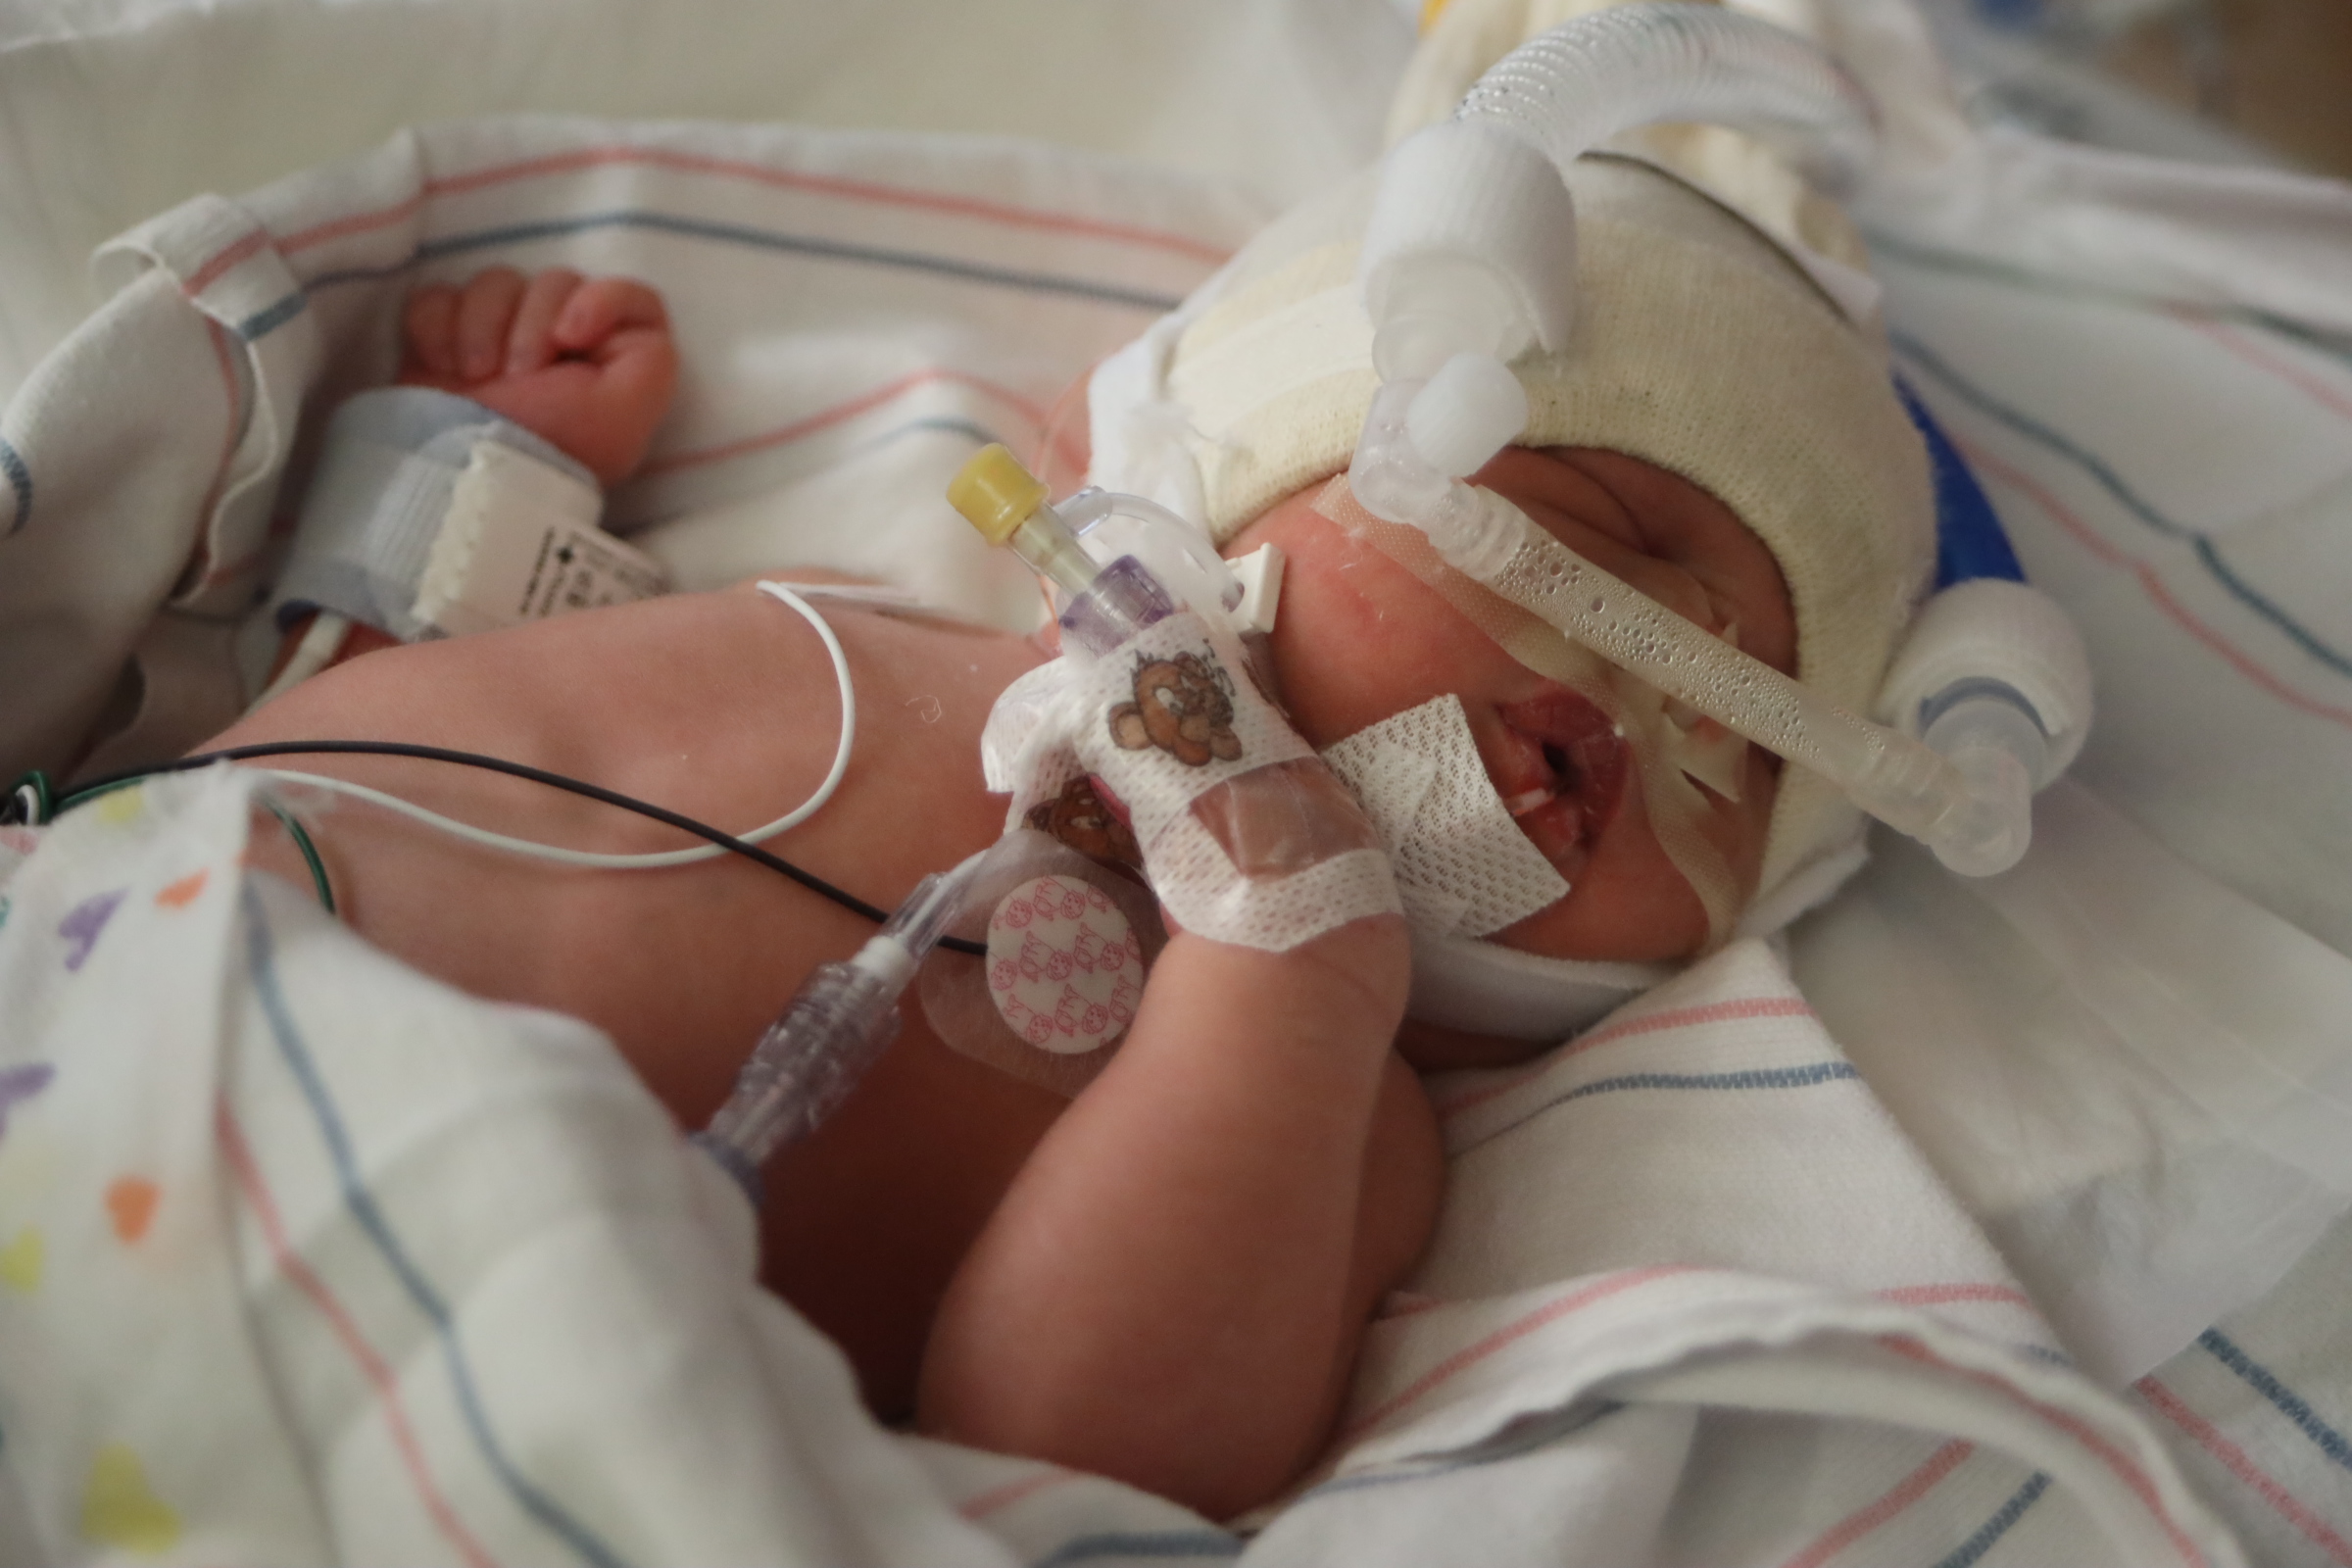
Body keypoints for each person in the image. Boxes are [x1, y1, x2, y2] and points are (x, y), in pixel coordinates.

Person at [201, 118, 1936, 1517]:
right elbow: (354, 761)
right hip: (125, 947)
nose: (1660, 689)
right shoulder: (849, 616)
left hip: (355, 1362)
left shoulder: (1350, 1122)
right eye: (1600, 524)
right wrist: (468, 486)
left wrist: (1292, 973)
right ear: (1223, 472)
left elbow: (1079, 1448)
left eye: (1750, 741)